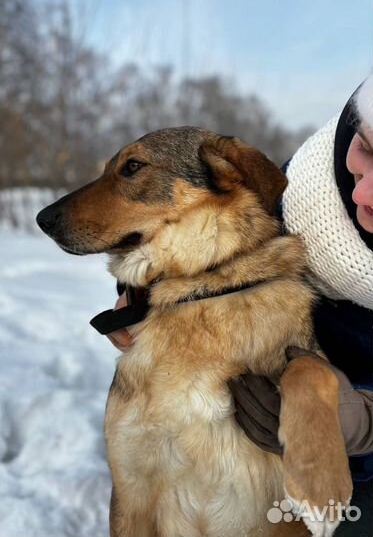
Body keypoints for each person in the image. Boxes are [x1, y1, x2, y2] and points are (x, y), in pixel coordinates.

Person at [106, 74, 373, 536]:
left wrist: (358, 424)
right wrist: (154, 283)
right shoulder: (289, 182)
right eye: (369, 148)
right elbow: (208, 226)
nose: (363, 193)